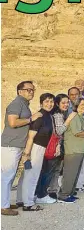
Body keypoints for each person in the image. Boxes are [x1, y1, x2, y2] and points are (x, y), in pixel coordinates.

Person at [1, 81, 43, 216]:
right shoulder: (16, 104)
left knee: (10, 175)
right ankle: (3, 206)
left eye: (32, 90)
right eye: (28, 90)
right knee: (6, 175)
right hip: (11, 145)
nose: (31, 92)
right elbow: (13, 123)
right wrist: (32, 119)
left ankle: (5, 202)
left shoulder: (23, 104)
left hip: (16, 144)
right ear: (20, 91)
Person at [16, 93, 55, 211]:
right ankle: (28, 204)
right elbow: (31, 136)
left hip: (40, 148)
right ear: (41, 103)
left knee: (27, 175)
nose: (49, 104)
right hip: (35, 148)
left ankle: (21, 200)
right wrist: (27, 153)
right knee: (32, 175)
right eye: (47, 101)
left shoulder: (48, 115)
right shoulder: (39, 116)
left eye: (51, 101)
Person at [58, 98, 84, 203]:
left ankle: (70, 192)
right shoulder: (75, 117)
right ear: (76, 106)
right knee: (70, 173)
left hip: (80, 149)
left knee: (75, 173)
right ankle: (64, 195)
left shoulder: (82, 117)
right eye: (82, 104)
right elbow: (77, 132)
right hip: (73, 149)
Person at [36, 94, 70, 203]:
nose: (66, 105)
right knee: (49, 171)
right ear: (57, 103)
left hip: (53, 146)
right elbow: (59, 131)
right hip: (55, 147)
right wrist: (68, 120)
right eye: (63, 103)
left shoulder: (55, 113)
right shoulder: (58, 115)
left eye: (67, 102)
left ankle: (45, 192)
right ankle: (42, 194)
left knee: (51, 170)